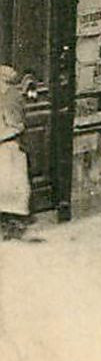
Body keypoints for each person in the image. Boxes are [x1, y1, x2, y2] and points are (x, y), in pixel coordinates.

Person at [1, 64, 32, 240]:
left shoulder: (11, 97)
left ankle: (13, 224)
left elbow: (16, 125)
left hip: (8, 146)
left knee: (11, 184)